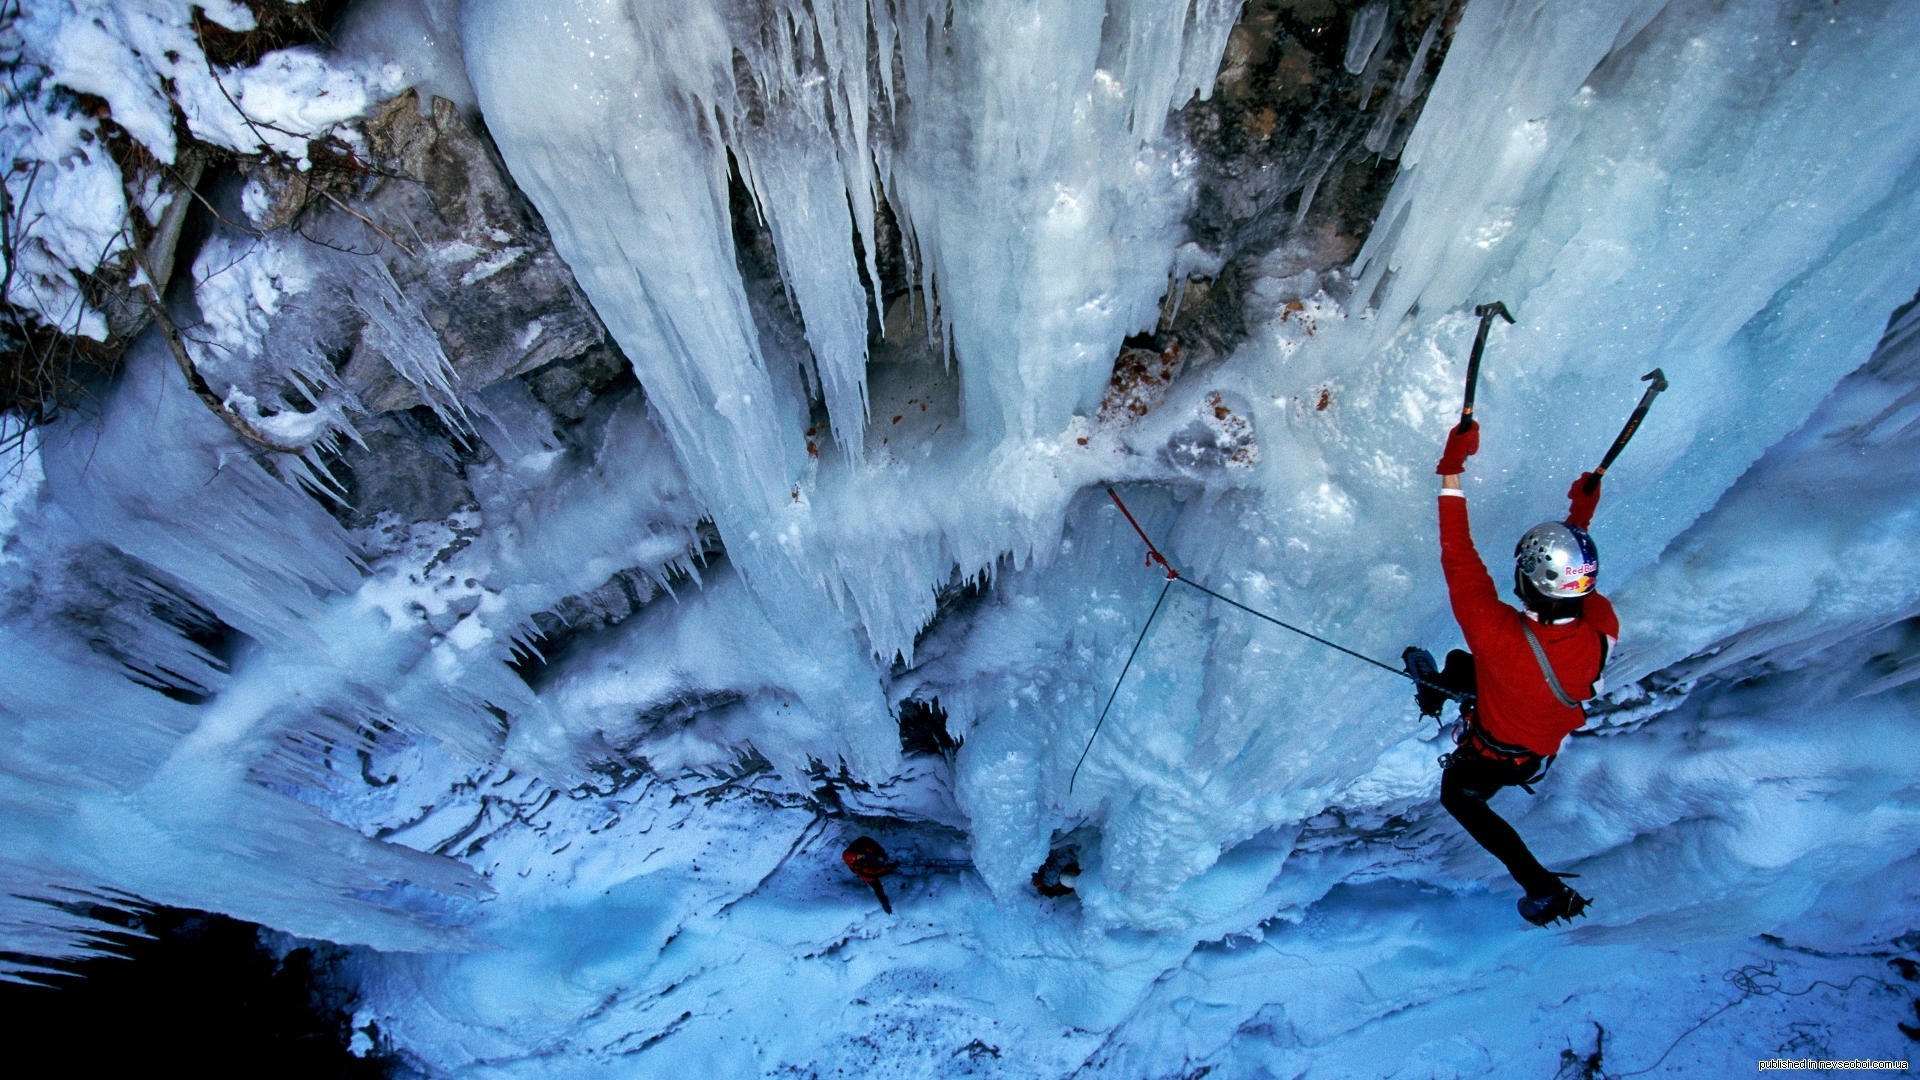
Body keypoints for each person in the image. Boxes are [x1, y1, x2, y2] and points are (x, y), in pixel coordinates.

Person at [1418, 419, 1619, 926]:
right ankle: (1433, 692)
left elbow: (1458, 552)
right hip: (1527, 754)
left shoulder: (1495, 632)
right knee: (1467, 667)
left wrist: (1451, 469)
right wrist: (1580, 522)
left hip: (1492, 748)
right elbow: (1573, 589)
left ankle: (1542, 886)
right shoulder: (1600, 630)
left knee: (1457, 794)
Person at [842, 836, 897, 914]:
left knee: (871, 855)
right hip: (870, 877)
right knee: (878, 888)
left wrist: (880, 852)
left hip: (867, 862)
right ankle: (885, 904)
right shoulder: (862, 869)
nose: (861, 856)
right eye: (859, 857)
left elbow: (865, 840)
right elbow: (876, 872)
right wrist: (890, 867)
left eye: (859, 855)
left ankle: (880, 860)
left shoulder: (854, 850)